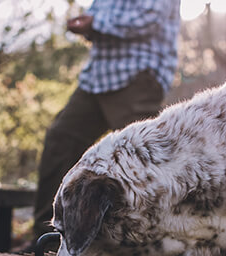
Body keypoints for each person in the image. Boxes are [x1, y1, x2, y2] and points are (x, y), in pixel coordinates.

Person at [32, 0, 181, 238]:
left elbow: (149, 19)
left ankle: (147, 247)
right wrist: (88, 24)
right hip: (96, 78)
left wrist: (96, 23)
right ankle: (48, 239)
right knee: (60, 140)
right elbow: (100, 15)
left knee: (141, 162)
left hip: (136, 75)